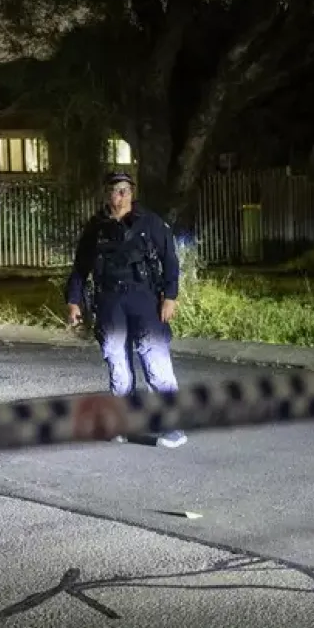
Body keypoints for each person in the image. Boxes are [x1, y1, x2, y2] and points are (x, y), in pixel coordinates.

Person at [64, 172, 187, 448]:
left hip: (144, 298)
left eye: (125, 191)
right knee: (117, 361)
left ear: (132, 193)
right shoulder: (96, 227)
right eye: (114, 191)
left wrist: (170, 297)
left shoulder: (150, 222)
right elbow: (80, 267)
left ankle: (173, 427)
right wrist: (73, 301)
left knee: (154, 358)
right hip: (110, 301)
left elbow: (170, 260)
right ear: (106, 193)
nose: (119, 196)